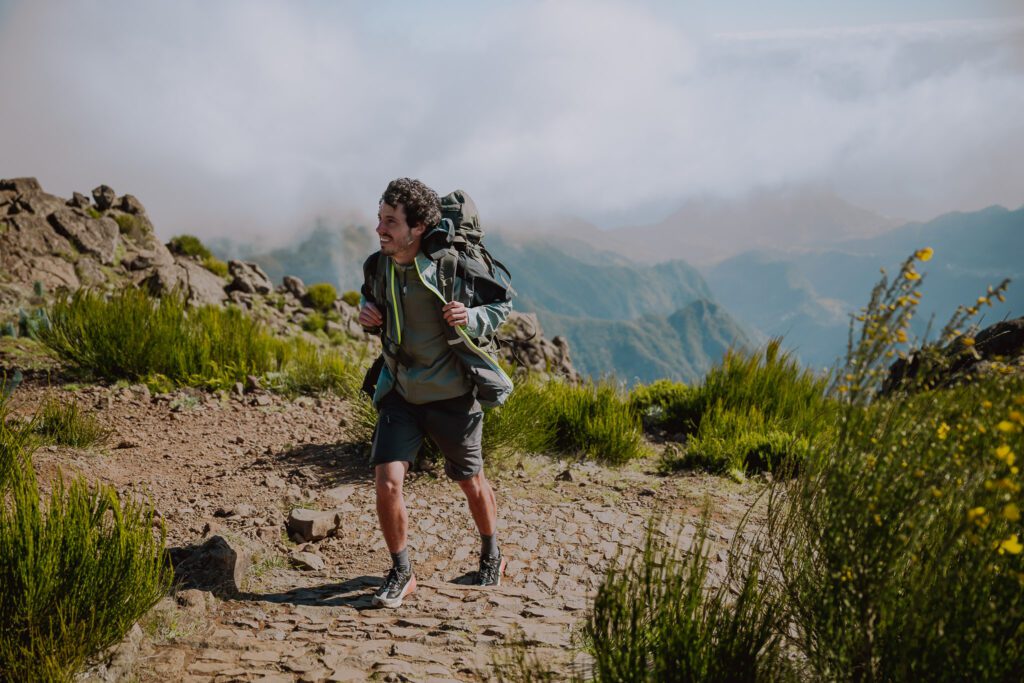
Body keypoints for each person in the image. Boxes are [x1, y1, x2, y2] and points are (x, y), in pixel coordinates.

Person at [358, 178, 514, 608]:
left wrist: (472, 316)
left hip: (451, 396)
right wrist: (367, 313)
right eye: (379, 218)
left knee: (471, 481)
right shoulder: (378, 265)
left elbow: (503, 305)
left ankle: (492, 553)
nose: (381, 229)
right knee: (387, 482)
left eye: (391, 222)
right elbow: (370, 300)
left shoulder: (450, 266)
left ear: (419, 227)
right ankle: (401, 571)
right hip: (401, 392)